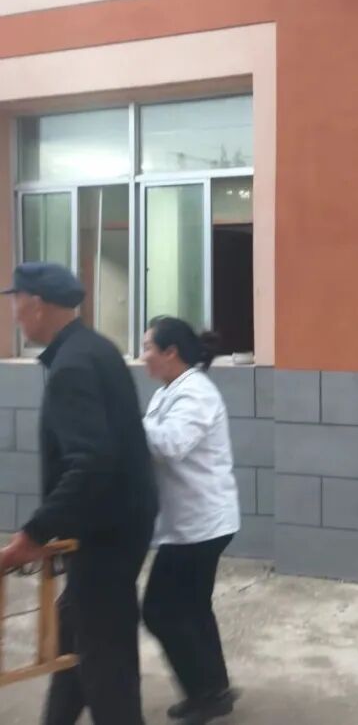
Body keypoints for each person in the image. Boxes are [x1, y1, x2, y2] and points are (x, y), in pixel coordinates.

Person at [0, 262, 158, 725]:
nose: (14, 313)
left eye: (16, 301)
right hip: (119, 524)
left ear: (36, 304)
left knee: (106, 663)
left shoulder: (72, 365)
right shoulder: (95, 348)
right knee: (75, 635)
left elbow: (90, 462)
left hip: (104, 535)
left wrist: (33, 534)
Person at [140, 317, 241, 725]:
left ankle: (204, 692)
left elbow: (170, 444)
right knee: (194, 608)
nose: (143, 356)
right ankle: (214, 689)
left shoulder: (196, 392)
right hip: (191, 523)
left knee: (159, 610)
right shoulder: (168, 391)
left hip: (200, 525)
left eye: (148, 347)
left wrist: (124, 419)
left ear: (171, 352)